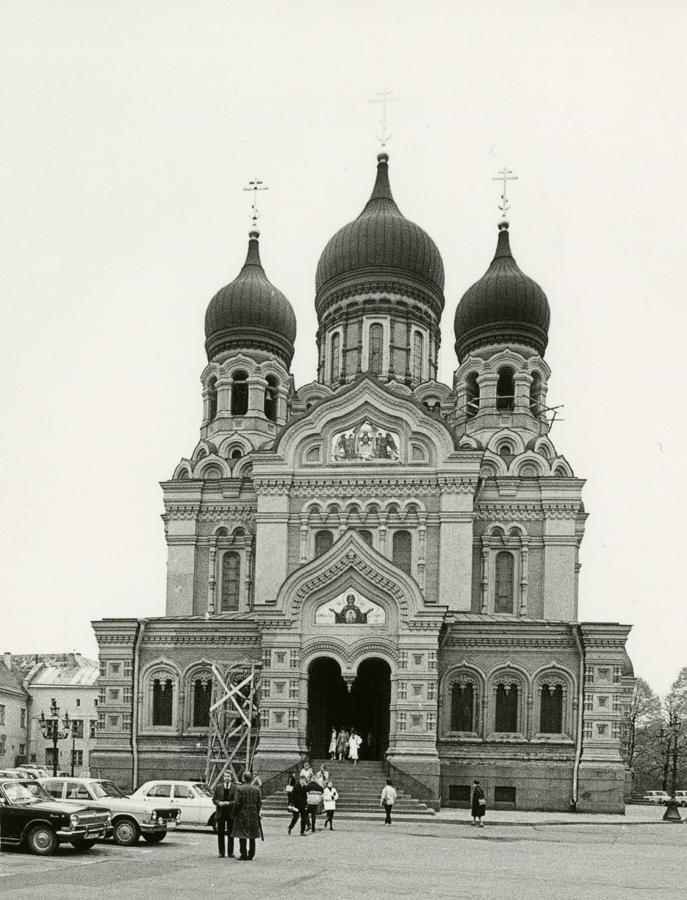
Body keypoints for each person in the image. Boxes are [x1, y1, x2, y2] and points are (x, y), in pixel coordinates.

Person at [232, 771, 262, 860]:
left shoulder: (239, 788)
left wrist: (235, 813)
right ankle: (251, 854)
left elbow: (237, 803)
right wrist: (257, 812)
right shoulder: (256, 789)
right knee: (252, 834)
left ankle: (243, 853)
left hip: (242, 812)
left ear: (243, 778)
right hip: (253, 812)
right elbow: (259, 803)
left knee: (242, 834)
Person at [212, 770, 236, 857]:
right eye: (225, 776)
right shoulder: (219, 787)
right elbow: (214, 798)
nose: (226, 778)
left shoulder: (235, 788)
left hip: (230, 813)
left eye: (228, 776)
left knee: (230, 833)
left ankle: (230, 852)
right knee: (220, 833)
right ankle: (221, 852)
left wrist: (229, 803)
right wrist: (218, 803)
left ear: (231, 778)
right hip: (220, 812)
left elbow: (236, 801)